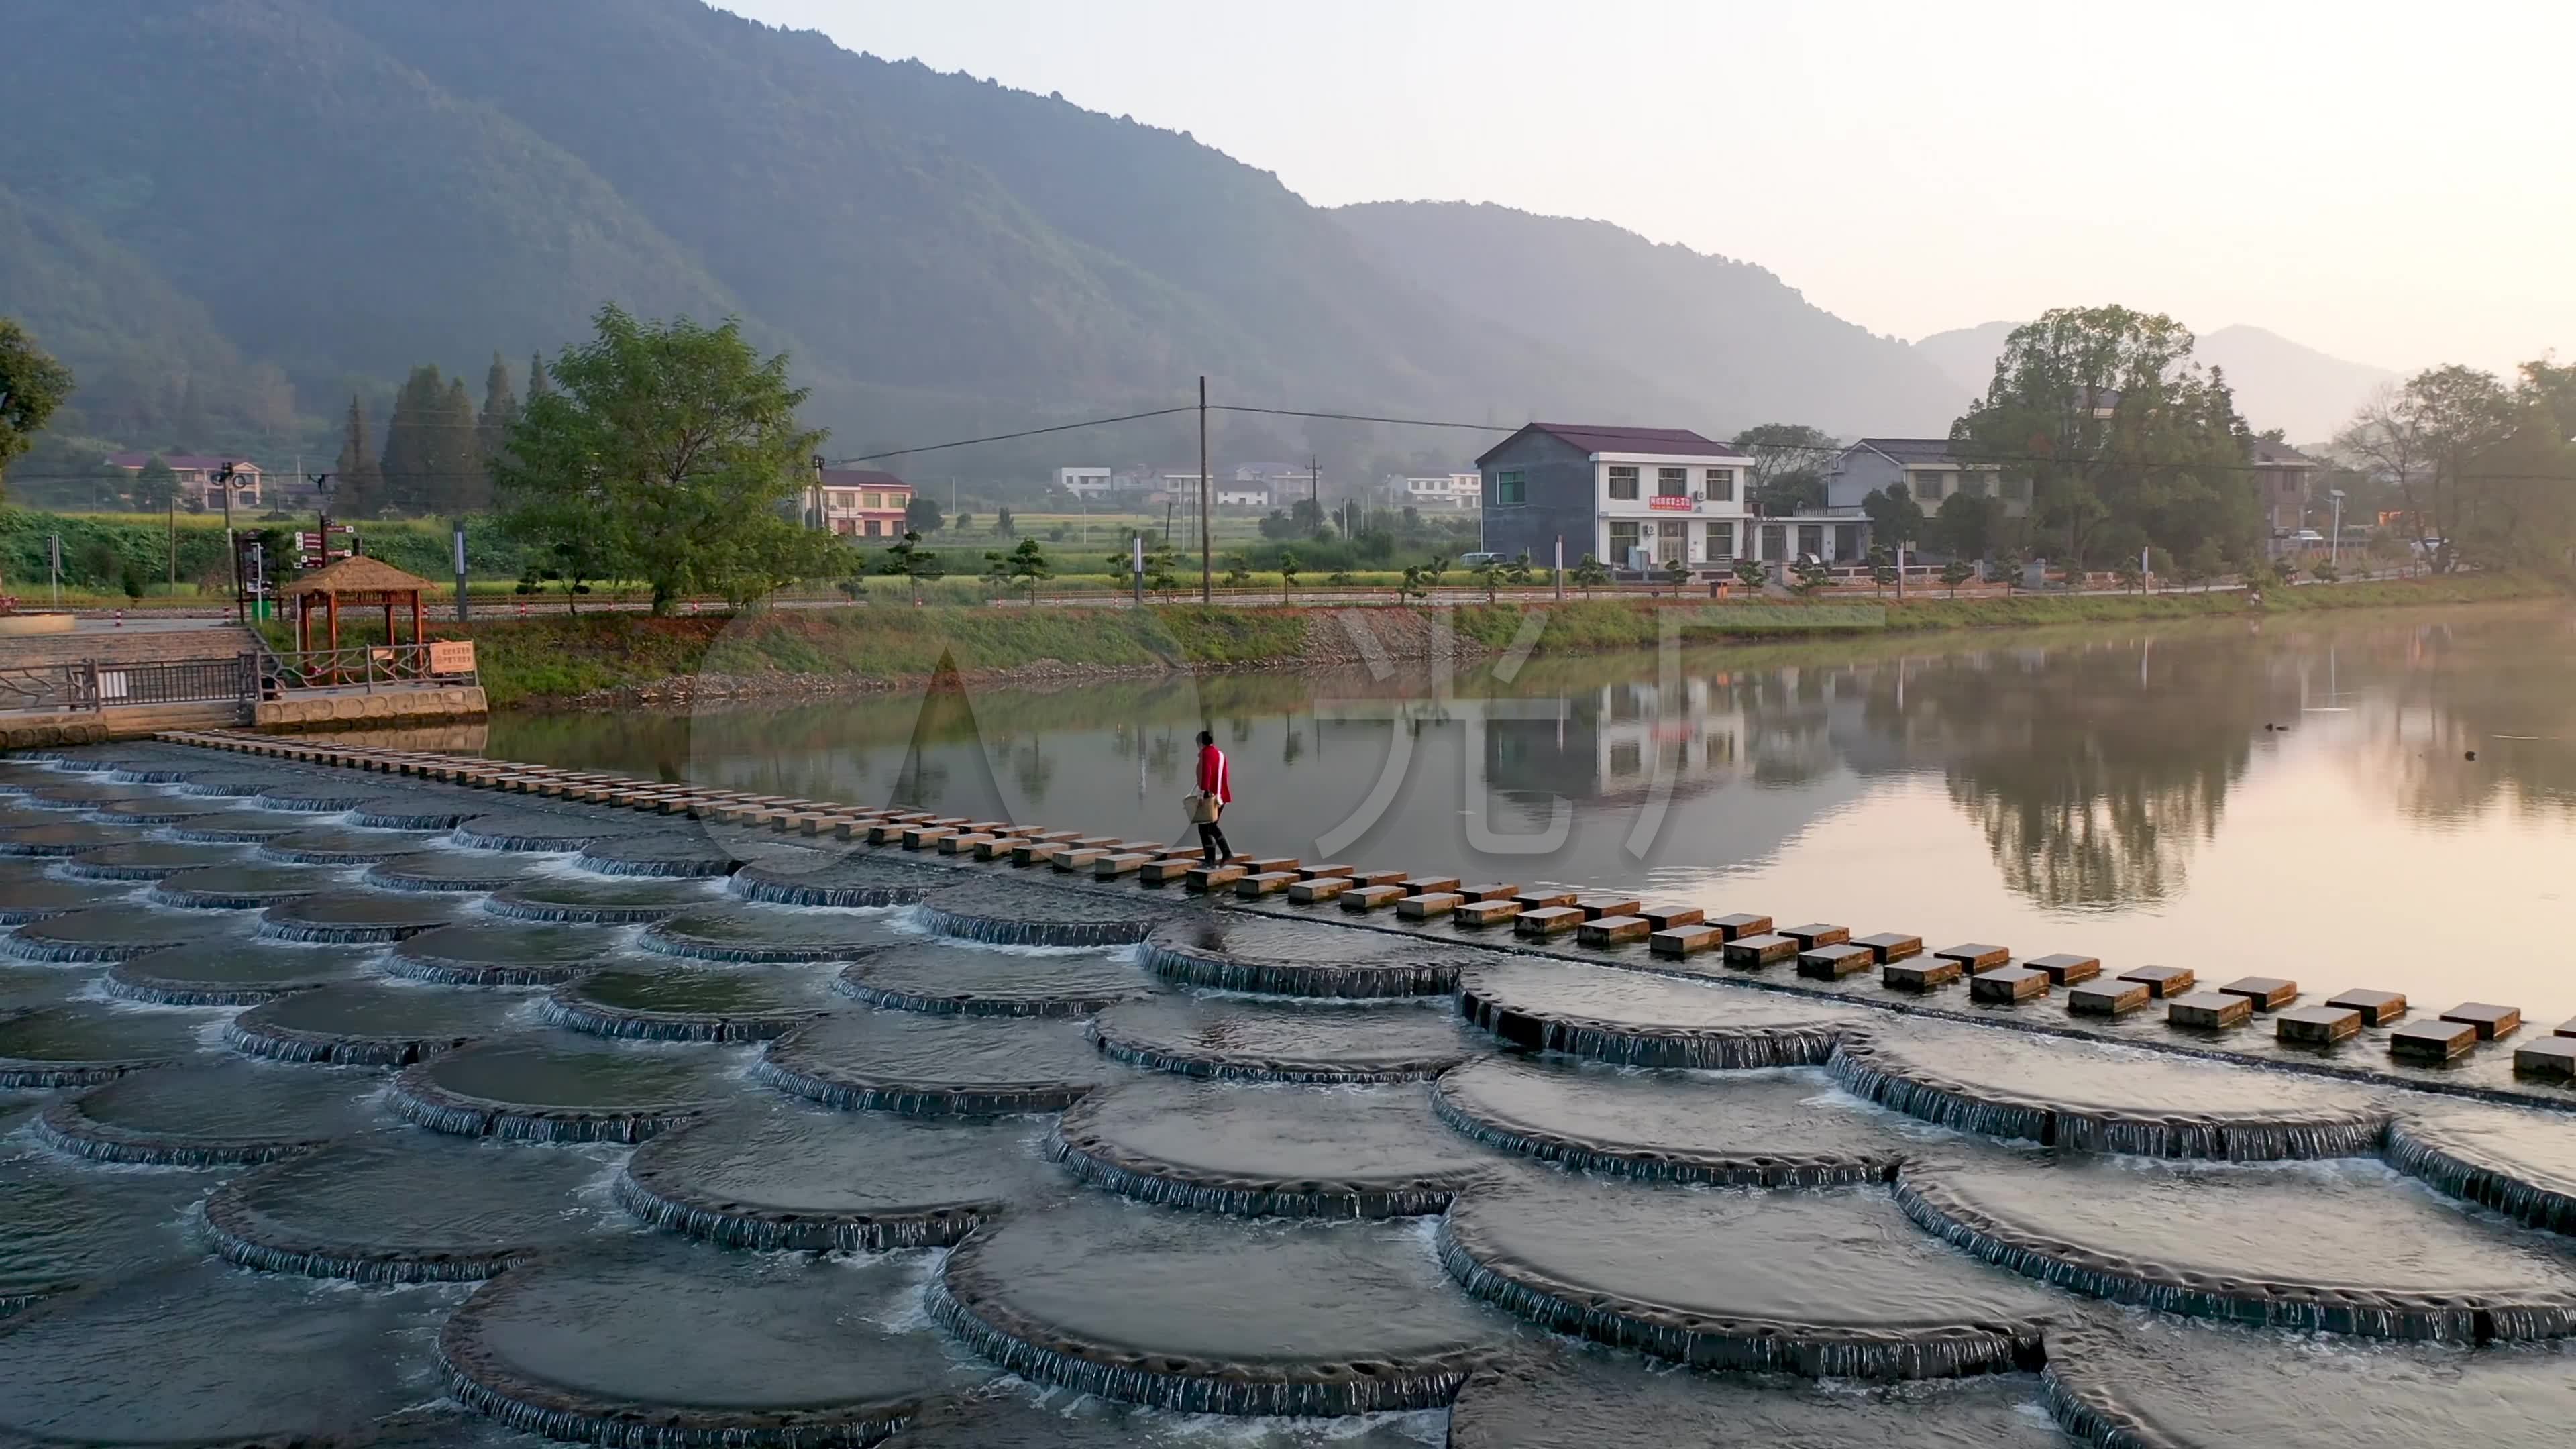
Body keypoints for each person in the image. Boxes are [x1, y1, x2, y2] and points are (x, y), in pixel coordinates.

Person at [1193, 728, 1234, 863]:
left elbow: (1206, 776)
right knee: (1210, 826)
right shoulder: (1220, 754)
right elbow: (1224, 775)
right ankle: (1217, 856)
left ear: (1201, 743)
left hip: (1210, 797)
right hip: (1222, 795)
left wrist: (1201, 796)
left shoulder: (1206, 756)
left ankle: (1218, 856)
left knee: (1205, 827)